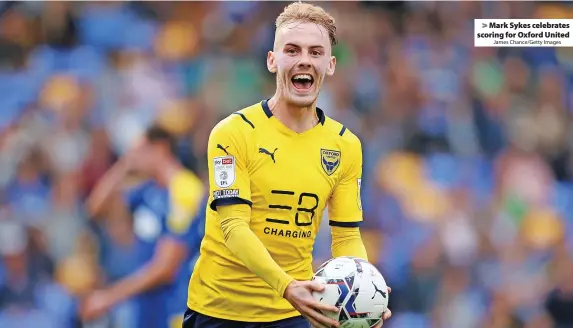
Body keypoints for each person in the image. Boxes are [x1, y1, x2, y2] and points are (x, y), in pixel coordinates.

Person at [184, 2, 392, 328]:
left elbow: (346, 237)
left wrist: (364, 298)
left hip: (290, 314)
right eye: (292, 50)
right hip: (219, 311)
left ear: (330, 64)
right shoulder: (233, 133)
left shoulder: (345, 145)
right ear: (272, 60)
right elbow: (234, 228)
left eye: (315, 52)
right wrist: (287, 287)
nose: (304, 60)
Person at [81, 126, 206, 328]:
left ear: (160, 148)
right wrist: (123, 165)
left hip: (176, 308)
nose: (134, 156)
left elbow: (166, 267)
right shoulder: (149, 191)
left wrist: (109, 297)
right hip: (147, 308)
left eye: (139, 150)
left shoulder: (185, 191)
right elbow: (95, 209)